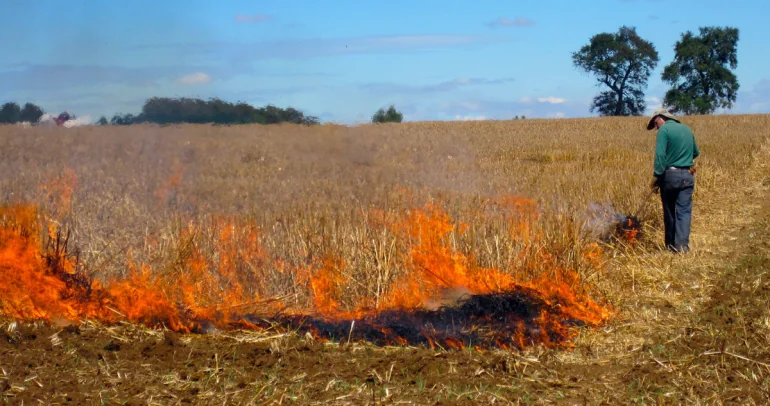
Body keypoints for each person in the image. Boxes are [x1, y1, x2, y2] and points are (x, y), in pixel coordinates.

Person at [646, 108, 699, 253]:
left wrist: (657, 176)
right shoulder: (686, 129)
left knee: (669, 210)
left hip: (670, 176)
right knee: (684, 211)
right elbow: (696, 152)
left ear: (662, 118)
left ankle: (670, 247)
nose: (656, 127)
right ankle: (682, 247)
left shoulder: (664, 131)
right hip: (688, 176)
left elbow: (660, 156)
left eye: (655, 123)